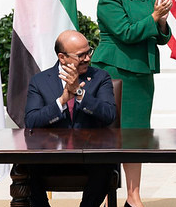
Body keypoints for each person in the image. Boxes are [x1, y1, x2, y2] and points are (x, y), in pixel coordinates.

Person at [90, 0, 172, 207]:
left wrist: (160, 22)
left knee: (136, 135)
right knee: (110, 134)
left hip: (141, 74)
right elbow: (125, 32)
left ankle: (133, 196)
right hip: (115, 73)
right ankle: (104, 193)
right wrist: (154, 17)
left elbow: (159, 37)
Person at [25, 30, 117, 207]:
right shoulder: (40, 81)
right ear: (62, 57)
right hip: (51, 154)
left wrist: (79, 93)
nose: (88, 58)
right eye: (81, 55)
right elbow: (31, 121)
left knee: (105, 166)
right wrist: (62, 101)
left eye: (88, 52)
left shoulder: (100, 77)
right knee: (25, 167)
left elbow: (109, 115)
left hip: (90, 154)